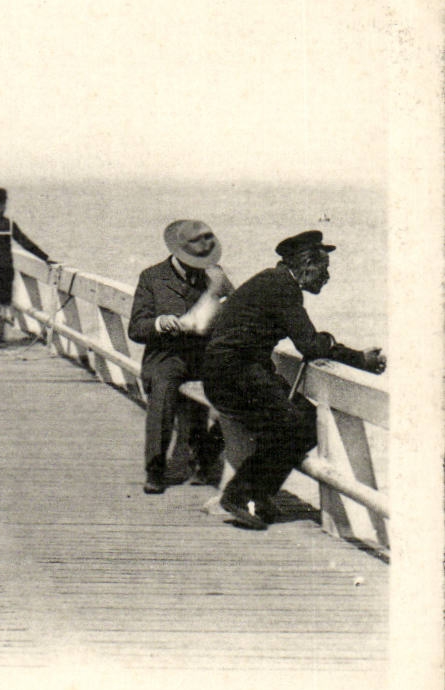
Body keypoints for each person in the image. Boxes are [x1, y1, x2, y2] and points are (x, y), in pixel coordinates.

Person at [202, 230, 385, 530]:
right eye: (324, 271)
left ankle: (258, 494)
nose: (326, 278)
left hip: (229, 372)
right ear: (306, 265)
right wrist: (354, 355)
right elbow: (310, 345)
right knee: (300, 424)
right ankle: (241, 494)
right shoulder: (283, 289)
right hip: (235, 374)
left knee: (302, 420)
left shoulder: (271, 281)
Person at [128, 219, 235, 494]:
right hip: (166, 355)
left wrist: (220, 302)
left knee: (241, 393)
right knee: (163, 393)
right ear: (178, 253)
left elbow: (236, 312)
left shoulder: (216, 276)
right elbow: (136, 329)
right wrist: (159, 323)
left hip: (203, 356)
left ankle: (206, 455)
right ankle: (155, 468)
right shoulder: (152, 277)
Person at [0, 187, 52, 350]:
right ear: (1, 204)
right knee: (4, 301)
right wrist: (45, 258)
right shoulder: (8, 224)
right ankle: (1, 334)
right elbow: (26, 243)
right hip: (4, 269)